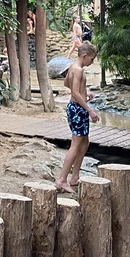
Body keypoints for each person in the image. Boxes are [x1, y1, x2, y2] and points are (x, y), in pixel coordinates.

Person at [54, 42, 100, 193]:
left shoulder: (72, 67)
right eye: (92, 59)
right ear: (84, 56)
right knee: (76, 144)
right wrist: (89, 110)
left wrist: (85, 94)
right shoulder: (78, 70)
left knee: (84, 142)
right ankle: (61, 179)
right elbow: (74, 93)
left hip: (77, 107)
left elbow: (68, 83)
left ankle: (75, 176)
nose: (92, 62)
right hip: (78, 109)